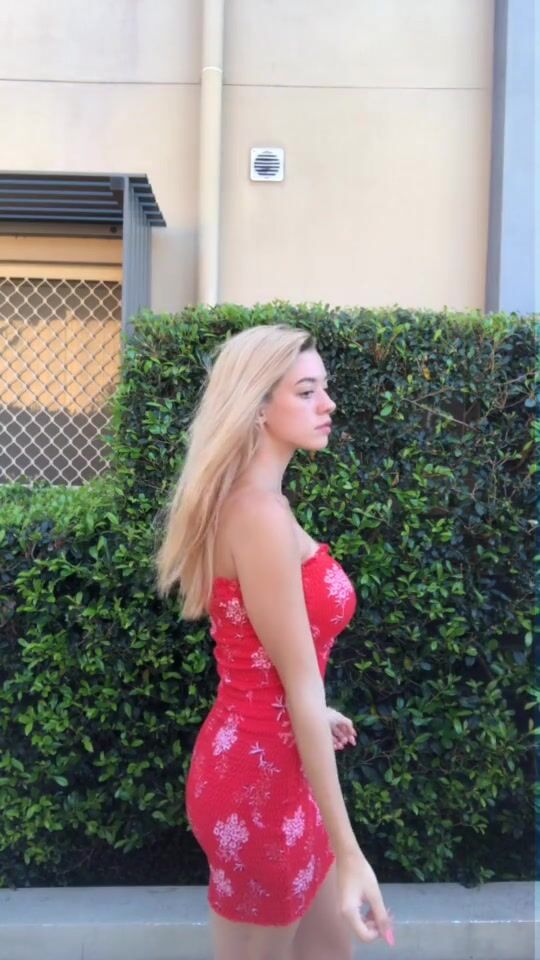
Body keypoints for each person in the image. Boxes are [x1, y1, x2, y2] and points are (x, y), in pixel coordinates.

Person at [156, 324, 395, 960]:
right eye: (307, 392)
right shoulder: (257, 514)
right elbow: (295, 684)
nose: (328, 404)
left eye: (324, 389)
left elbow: (262, 659)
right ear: (258, 407)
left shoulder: (258, 504)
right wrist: (351, 854)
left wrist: (316, 709)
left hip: (278, 764)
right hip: (258, 787)